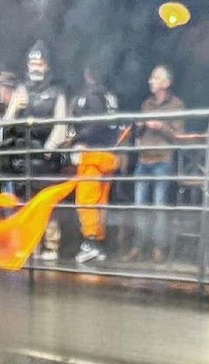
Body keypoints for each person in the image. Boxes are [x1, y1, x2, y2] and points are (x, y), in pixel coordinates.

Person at [8, 41, 68, 261]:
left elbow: (61, 124)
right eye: (32, 63)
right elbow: (5, 125)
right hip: (23, 157)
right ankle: (30, 245)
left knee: (47, 205)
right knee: (24, 205)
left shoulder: (56, 92)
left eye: (39, 63)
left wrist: (50, 148)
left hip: (45, 158)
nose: (35, 67)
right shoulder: (20, 90)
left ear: (47, 66)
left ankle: (51, 244)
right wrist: (15, 109)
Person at [124, 64, 184, 264]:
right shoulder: (146, 104)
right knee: (139, 206)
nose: (150, 81)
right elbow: (137, 133)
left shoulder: (176, 105)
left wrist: (161, 126)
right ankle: (137, 247)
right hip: (144, 159)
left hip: (163, 160)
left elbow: (179, 135)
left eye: (155, 78)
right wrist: (139, 127)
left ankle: (159, 249)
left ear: (166, 83)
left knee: (159, 207)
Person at [69, 63, 119, 264]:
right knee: (101, 202)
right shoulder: (111, 96)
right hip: (109, 153)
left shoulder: (91, 96)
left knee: (86, 200)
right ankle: (98, 243)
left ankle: (90, 243)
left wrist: (76, 138)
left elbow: (94, 123)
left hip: (92, 152)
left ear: (88, 74)